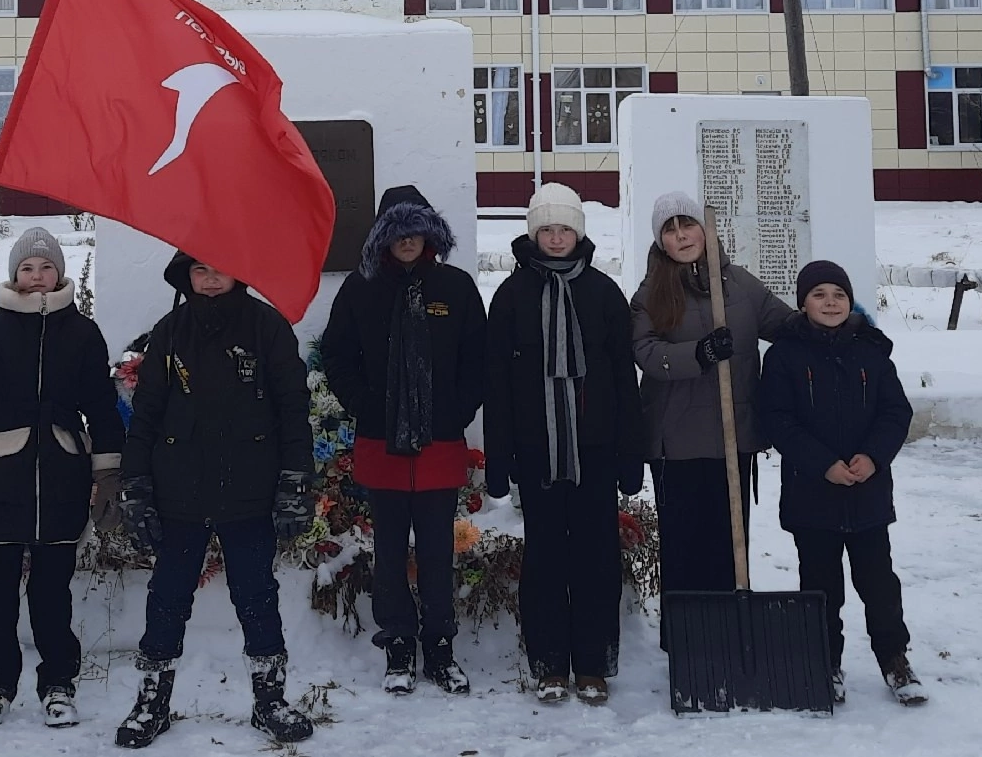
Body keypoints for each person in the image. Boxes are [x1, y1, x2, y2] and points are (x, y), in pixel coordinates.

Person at [0, 227, 125, 729]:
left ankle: (58, 684)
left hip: (62, 473)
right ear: (14, 275)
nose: (36, 277)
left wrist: (110, 472)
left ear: (60, 273)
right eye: (27, 269)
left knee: (53, 593)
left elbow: (100, 404)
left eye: (46, 267)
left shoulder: (83, 332)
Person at [113, 252, 316, 747]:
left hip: (250, 490)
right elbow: (147, 415)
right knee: (166, 599)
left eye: (219, 268)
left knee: (256, 597)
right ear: (186, 276)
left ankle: (270, 701)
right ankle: (152, 702)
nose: (209, 279)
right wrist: (135, 484)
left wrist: (295, 481)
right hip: (179, 492)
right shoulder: (170, 331)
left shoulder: (268, 327)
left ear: (239, 271)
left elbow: (293, 410)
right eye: (199, 270)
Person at [318, 185, 486, 695]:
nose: (408, 242)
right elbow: (337, 355)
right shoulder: (360, 289)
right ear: (384, 238)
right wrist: (365, 406)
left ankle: (440, 648)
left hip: (438, 444)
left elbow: (478, 358)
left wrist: (457, 409)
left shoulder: (455, 288)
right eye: (398, 233)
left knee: (437, 551)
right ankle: (397, 646)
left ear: (428, 234)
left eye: (416, 232)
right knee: (390, 552)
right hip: (382, 443)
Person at [483, 184, 644, 705]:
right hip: (538, 451)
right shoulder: (512, 295)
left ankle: (592, 664)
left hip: (594, 449)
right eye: (547, 229)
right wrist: (499, 455)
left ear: (579, 233)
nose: (556, 238)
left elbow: (623, 378)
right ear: (534, 234)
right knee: (546, 557)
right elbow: (498, 384)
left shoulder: (603, 293)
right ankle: (551, 664)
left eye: (564, 229)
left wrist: (629, 453)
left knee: (597, 556)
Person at [755, 260, 924, 707]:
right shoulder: (784, 355)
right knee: (820, 585)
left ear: (850, 301)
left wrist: (872, 456)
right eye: (819, 295)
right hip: (813, 494)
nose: (830, 303)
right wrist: (822, 464)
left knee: (879, 583)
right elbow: (778, 419)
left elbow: (895, 412)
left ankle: (894, 658)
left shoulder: (870, 350)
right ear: (802, 302)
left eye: (839, 295)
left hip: (867, 494)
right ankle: (824, 661)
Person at [629, 191, 795, 612]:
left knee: (729, 543)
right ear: (660, 241)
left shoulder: (740, 285)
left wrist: (837, 321)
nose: (682, 236)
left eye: (688, 225)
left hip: (731, 438)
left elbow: (785, 325)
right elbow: (645, 351)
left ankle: (726, 631)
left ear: (705, 230)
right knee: (684, 547)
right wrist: (698, 354)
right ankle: (684, 641)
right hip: (677, 441)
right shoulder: (652, 292)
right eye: (671, 230)